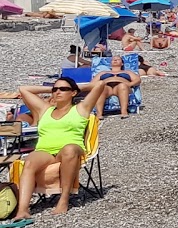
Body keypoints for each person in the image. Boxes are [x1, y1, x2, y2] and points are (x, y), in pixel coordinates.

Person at [4, 78, 116, 220]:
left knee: (69, 149)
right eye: (55, 90)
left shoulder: (81, 108)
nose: (58, 92)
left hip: (72, 149)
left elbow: (100, 84)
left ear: (73, 93)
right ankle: (23, 209)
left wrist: (73, 86)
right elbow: (24, 89)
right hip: (46, 151)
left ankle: (63, 199)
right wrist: (52, 88)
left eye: (63, 89)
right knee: (30, 161)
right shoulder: (44, 109)